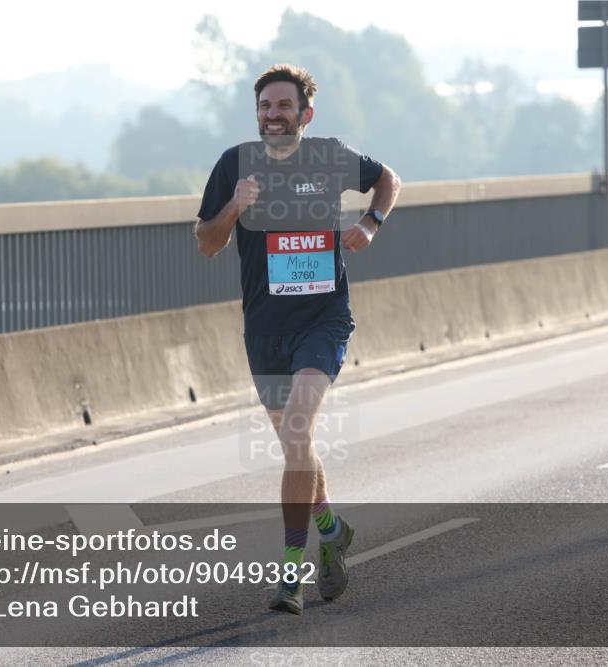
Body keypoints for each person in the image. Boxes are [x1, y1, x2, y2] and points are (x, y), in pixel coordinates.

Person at [194, 64, 401, 615]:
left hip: (323, 320)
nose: (273, 115)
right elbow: (207, 243)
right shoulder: (234, 165)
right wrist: (236, 205)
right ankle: (332, 528)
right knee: (296, 448)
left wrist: (372, 223)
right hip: (265, 330)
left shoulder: (330, 156)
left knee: (300, 428)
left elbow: (388, 178)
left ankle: (291, 574)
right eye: (265, 107)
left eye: (284, 106)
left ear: (305, 115)